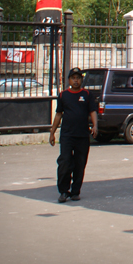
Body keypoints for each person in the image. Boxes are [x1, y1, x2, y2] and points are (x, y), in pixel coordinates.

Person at [49, 67, 99, 203]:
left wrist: (95, 125)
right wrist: (52, 132)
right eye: (73, 78)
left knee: (79, 164)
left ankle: (75, 191)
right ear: (69, 80)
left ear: (81, 80)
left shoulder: (87, 94)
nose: (76, 80)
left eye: (78, 78)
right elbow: (58, 114)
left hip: (82, 135)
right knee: (65, 162)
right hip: (67, 135)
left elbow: (92, 111)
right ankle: (63, 191)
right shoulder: (63, 95)